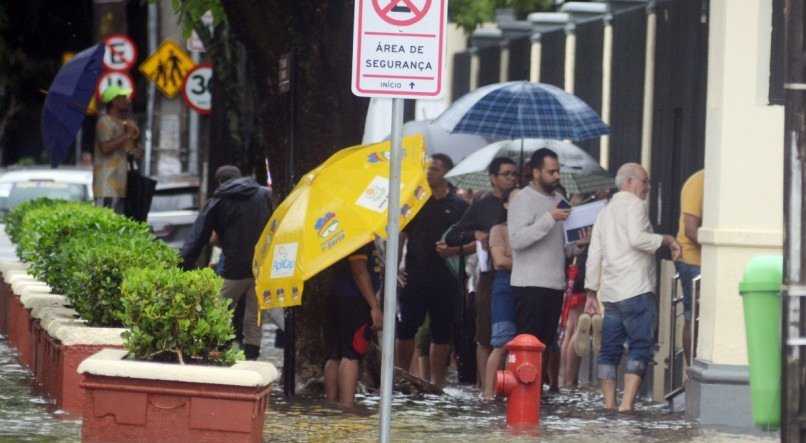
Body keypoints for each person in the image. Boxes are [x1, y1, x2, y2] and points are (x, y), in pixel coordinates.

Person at [584, 163, 681, 411]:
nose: (648, 187)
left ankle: (609, 405)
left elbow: (594, 254)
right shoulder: (635, 205)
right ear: (628, 182)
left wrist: (591, 292)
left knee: (609, 349)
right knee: (639, 347)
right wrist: (667, 239)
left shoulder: (604, 212)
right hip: (637, 289)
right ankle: (626, 405)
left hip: (612, 293)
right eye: (644, 181)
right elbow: (637, 239)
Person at [180, 165, 273, 360]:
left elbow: (199, 235)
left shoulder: (219, 200)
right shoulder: (264, 195)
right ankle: (251, 361)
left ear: (220, 181)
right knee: (254, 318)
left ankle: (218, 353)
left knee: (217, 310)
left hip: (233, 267)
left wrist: (182, 265)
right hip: (261, 267)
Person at [396, 153, 469, 388]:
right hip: (415, 276)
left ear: (447, 173)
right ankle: (400, 376)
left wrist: (454, 250)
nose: (429, 172)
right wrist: (394, 268)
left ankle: (437, 384)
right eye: (427, 168)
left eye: (435, 169)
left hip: (448, 279)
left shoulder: (460, 207)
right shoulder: (414, 202)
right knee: (407, 327)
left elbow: (476, 241)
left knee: (442, 332)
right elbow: (400, 236)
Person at [508, 149, 586, 365]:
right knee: (526, 344)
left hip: (554, 284)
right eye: (551, 172)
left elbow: (565, 247)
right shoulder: (522, 199)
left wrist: (579, 244)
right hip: (529, 284)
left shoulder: (560, 199)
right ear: (536, 172)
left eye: (558, 171)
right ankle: (522, 395)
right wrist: (549, 218)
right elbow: (517, 241)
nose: (557, 176)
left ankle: (537, 394)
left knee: (544, 345)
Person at [447, 157, 518, 391]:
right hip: (489, 276)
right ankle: (483, 383)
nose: (511, 178)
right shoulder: (481, 205)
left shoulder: (523, 201)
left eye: (514, 174)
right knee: (486, 332)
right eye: (506, 174)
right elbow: (453, 235)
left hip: (520, 276)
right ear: (493, 178)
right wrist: (475, 234)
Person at [324, 242, 383, 406]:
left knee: (334, 354)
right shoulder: (358, 235)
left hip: (335, 294)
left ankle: (331, 402)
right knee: (351, 355)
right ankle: (347, 406)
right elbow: (358, 270)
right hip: (354, 299)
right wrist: (374, 306)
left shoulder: (341, 233)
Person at [482, 188, 518, 399]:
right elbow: (500, 260)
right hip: (504, 286)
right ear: (505, 205)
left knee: (520, 343)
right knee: (502, 341)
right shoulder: (499, 230)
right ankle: (488, 393)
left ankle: (511, 390)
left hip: (525, 287)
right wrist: (526, 265)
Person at [93, 85, 140, 214]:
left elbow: (131, 153)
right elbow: (105, 148)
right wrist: (127, 134)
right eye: (123, 98)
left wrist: (135, 138)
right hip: (106, 186)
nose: (127, 101)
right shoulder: (104, 122)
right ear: (114, 101)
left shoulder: (121, 123)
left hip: (121, 185)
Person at [676, 169, 703, 365]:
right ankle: (691, 371)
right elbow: (690, 229)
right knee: (692, 316)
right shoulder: (699, 181)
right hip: (694, 260)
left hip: (704, 260)